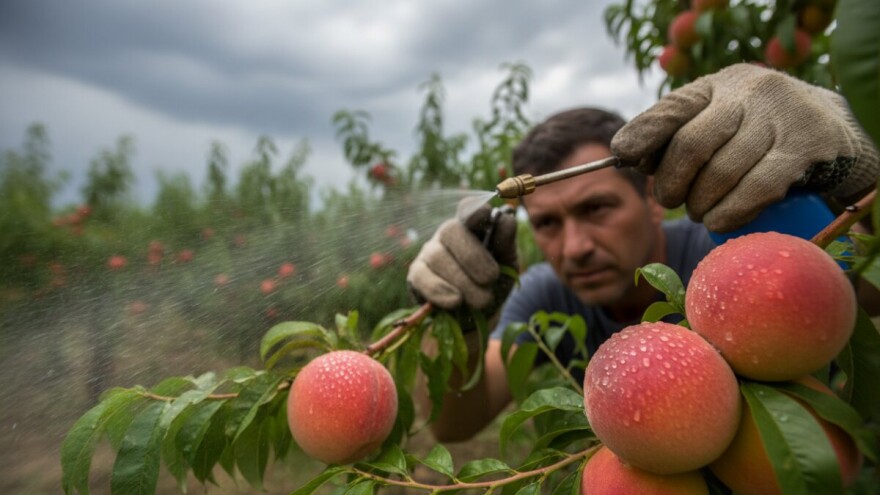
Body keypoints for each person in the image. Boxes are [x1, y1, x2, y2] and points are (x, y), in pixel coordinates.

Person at [406, 63, 880, 442]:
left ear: (653, 199)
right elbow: (454, 425)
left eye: (597, 208)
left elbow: (861, 293)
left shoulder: (730, 253)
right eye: (547, 223)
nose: (575, 248)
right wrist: (458, 326)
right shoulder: (543, 299)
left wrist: (862, 166)